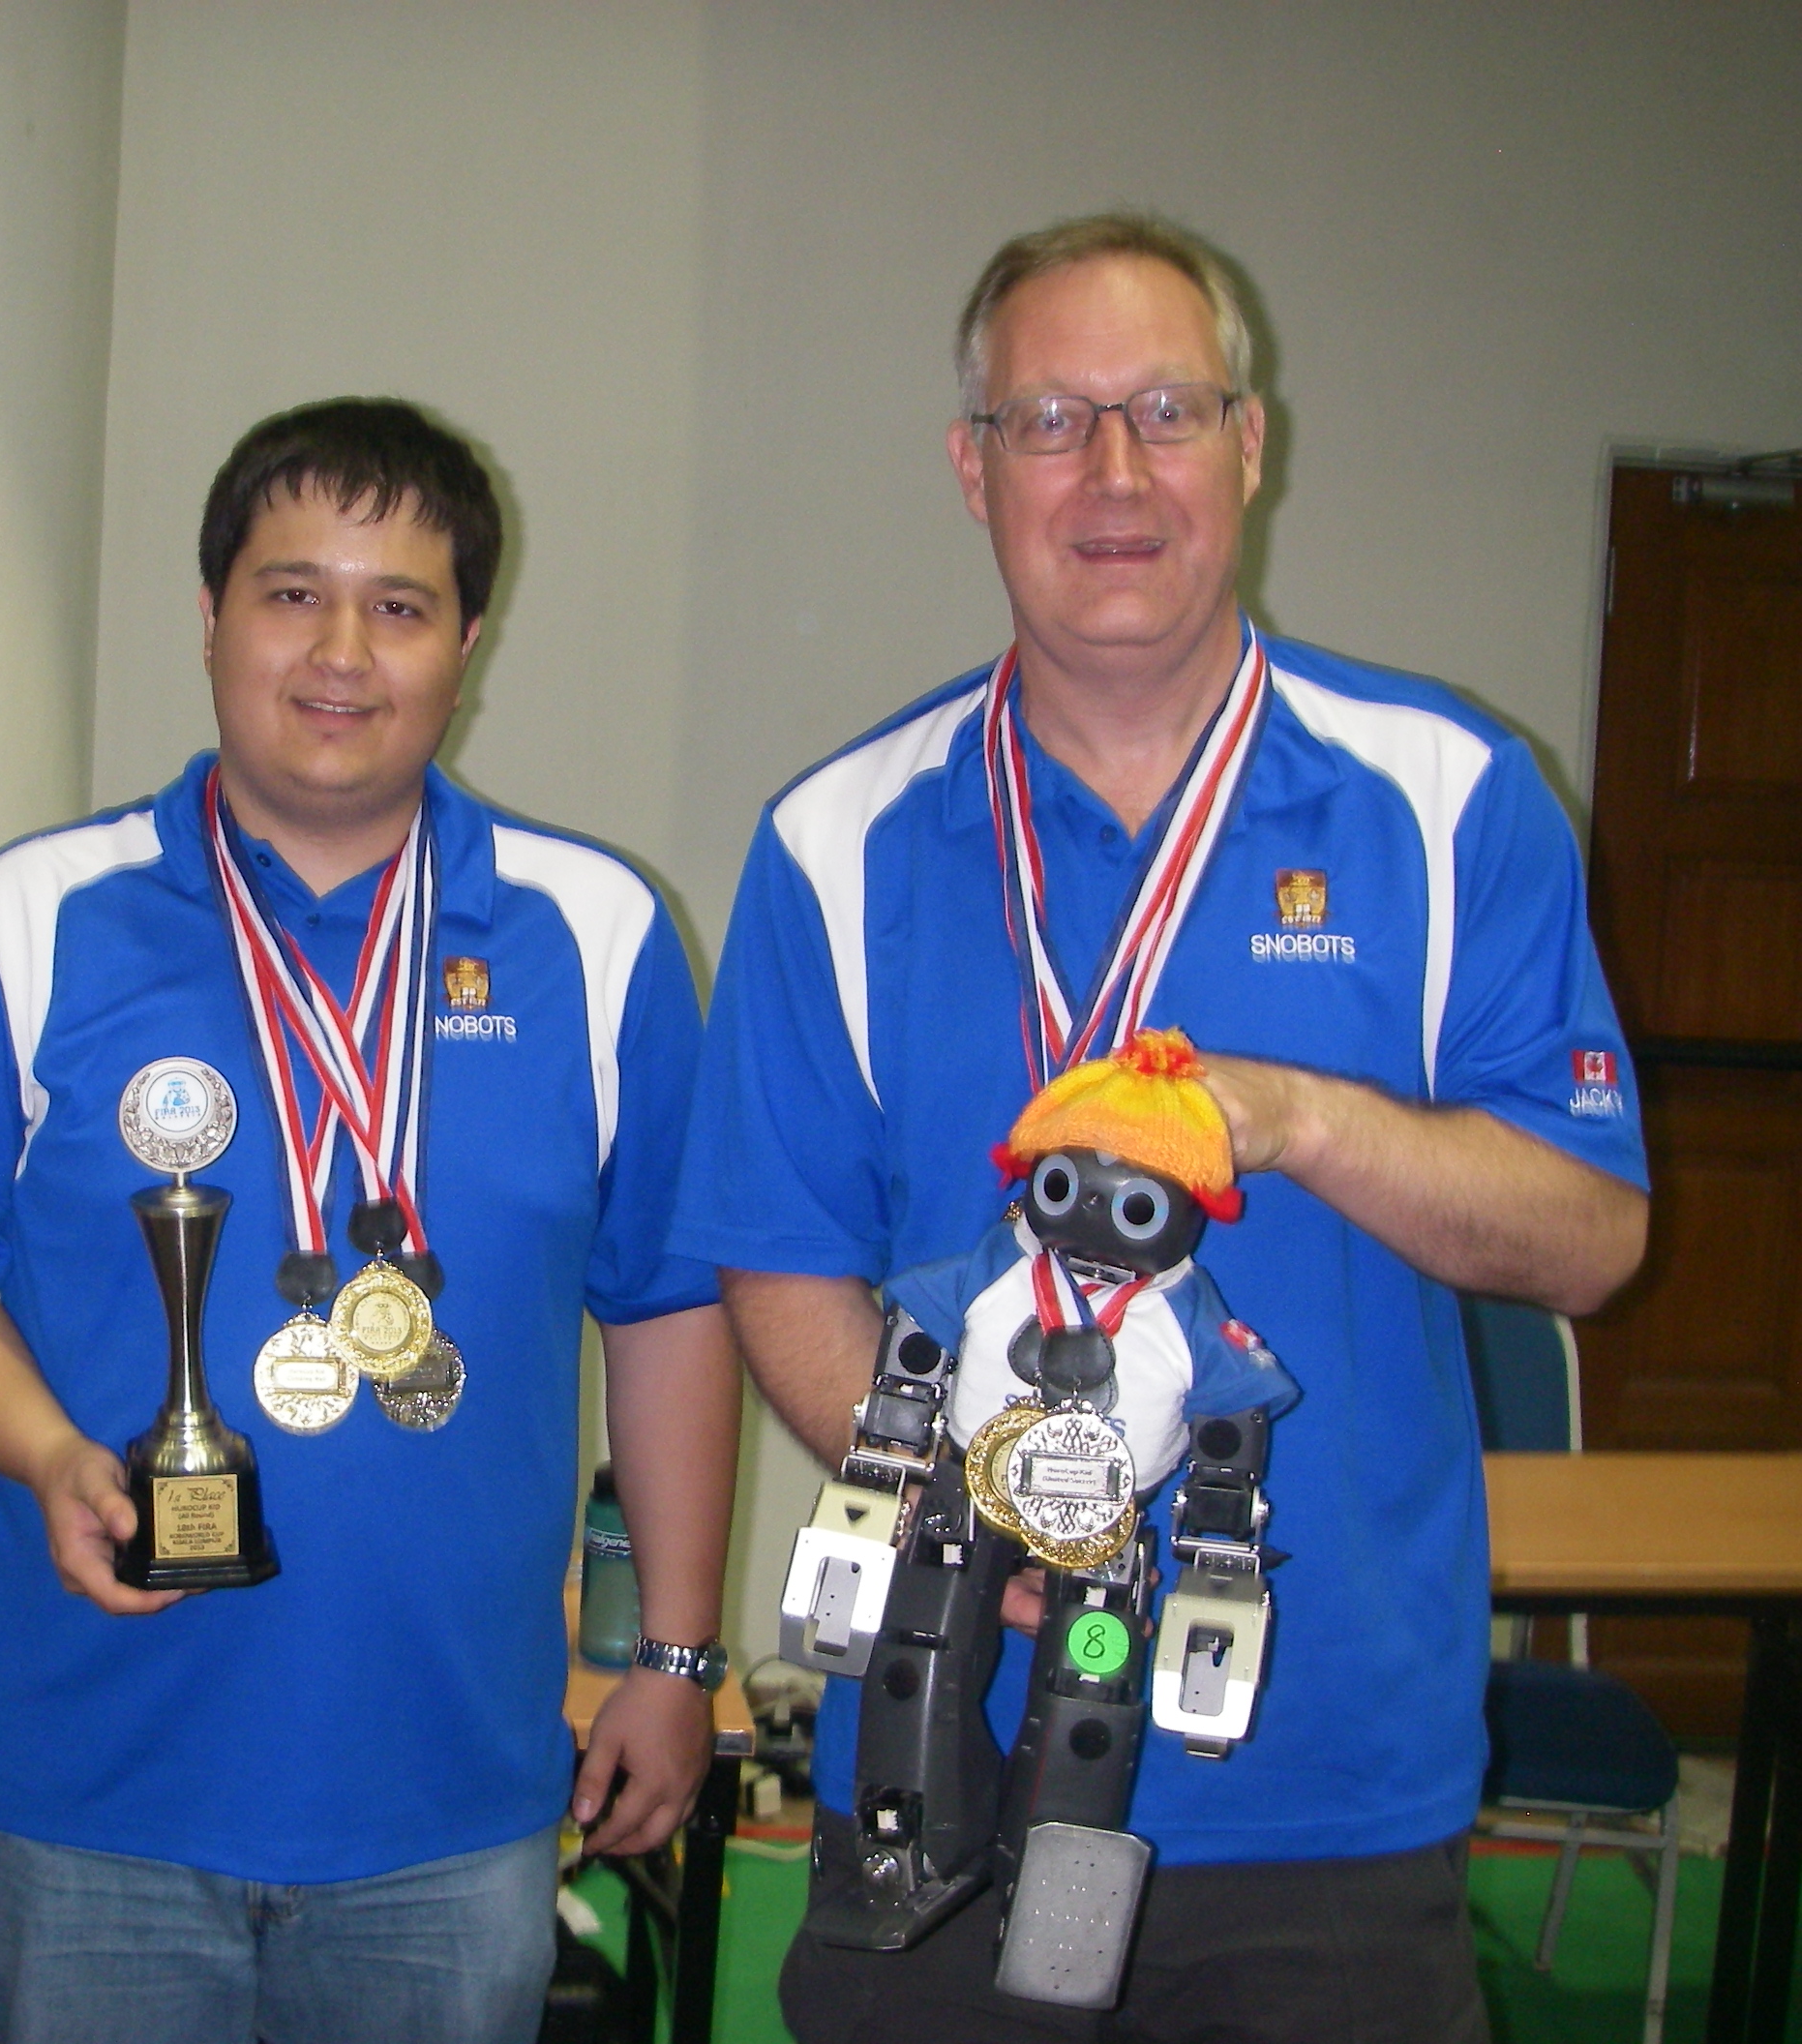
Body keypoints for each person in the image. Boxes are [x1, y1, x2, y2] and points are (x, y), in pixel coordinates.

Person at [674, 214, 1649, 2041]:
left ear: (1250, 445)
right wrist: (995, 1516)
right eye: (1051, 420)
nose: (1114, 471)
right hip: (942, 1752)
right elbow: (782, 1263)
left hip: (1326, 1786)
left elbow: (1591, 1238)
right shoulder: (838, 842)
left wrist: (1295, 1120)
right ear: (973, 466)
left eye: (1167, 411)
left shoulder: (1449, 800)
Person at [0, 397, 741, 2044]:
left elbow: (670, 1309)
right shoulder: (33, 917)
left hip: (449, 1807)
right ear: (209, 617)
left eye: (400, 606)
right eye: (291, 592)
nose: (341, 652)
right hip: (87, 1795)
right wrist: (45, 1451)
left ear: (467, 645)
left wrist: (675, 1661)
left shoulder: (596, 936)